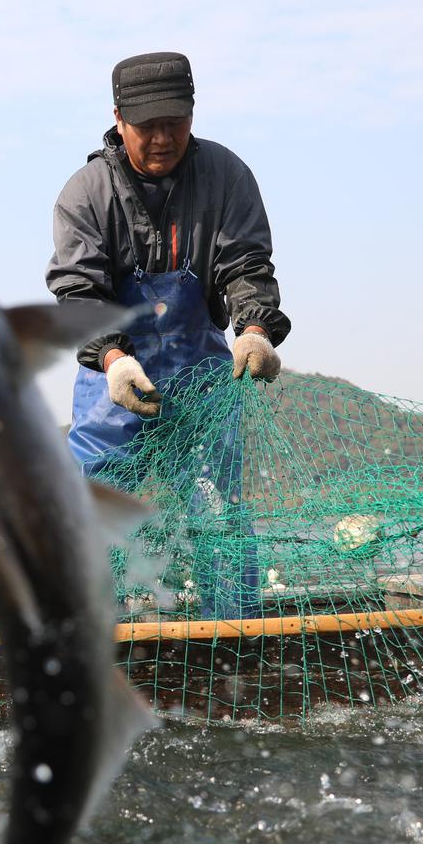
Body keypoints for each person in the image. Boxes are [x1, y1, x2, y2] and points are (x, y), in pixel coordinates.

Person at [46, 53, 290, 616]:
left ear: (192, 116)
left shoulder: (227, 176)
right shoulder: (84, 193)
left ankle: (233, 632)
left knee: (218, 508)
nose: (162, 139)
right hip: (116, 376)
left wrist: (253, 330)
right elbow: (78, 295)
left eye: (174, 124)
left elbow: (246, 266)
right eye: (147, 127)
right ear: (117, 119)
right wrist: (111, 359)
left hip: (202, 373)